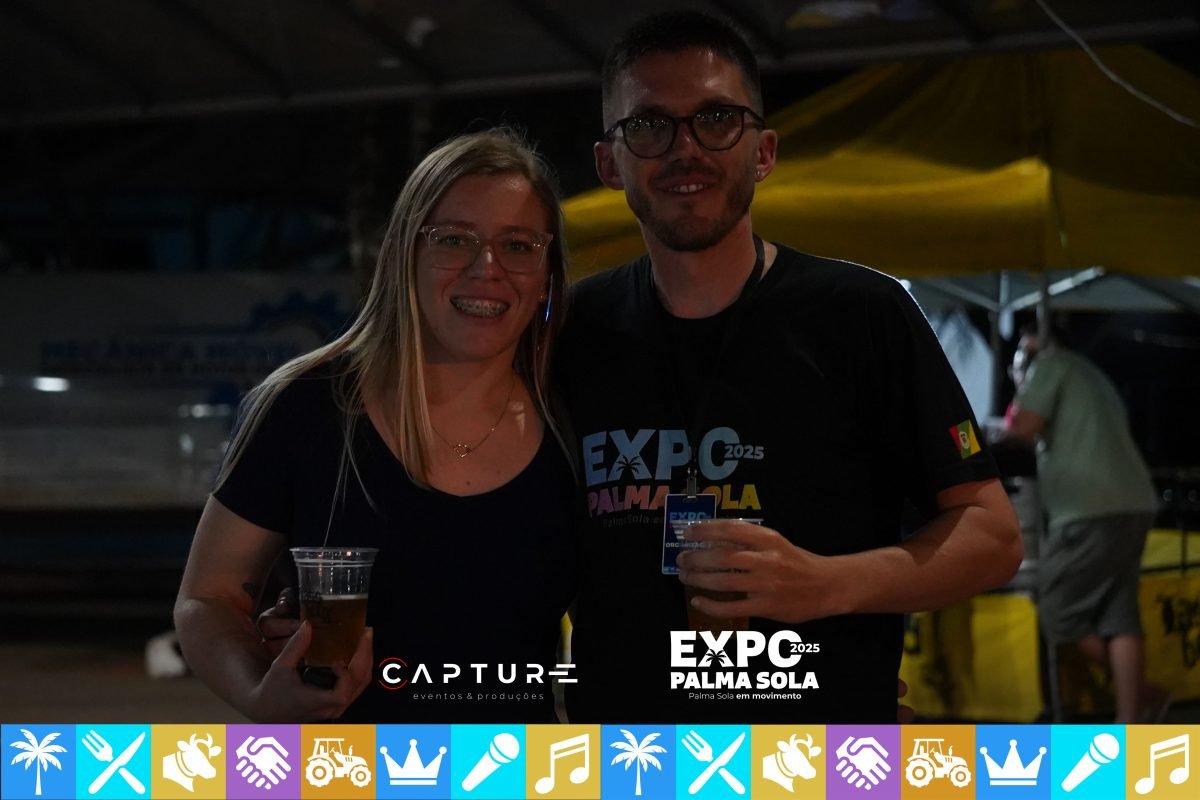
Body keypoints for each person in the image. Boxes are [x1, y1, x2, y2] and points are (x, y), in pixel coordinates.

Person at [555, 11, 1022, 723]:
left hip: (814, 752)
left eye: (717, 118)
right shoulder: (571, 329)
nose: (686, 148)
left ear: (764, 151)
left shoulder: (861, 314)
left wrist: (827, 585)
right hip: (627, 754)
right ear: (609, 164)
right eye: (649, 125)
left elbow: (993, 537)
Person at [174, 128, 575, 723]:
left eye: (517, 245)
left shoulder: (573, 416)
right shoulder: (307, 406)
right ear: (404, 255)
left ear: (546, 275)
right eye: (454, 239)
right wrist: (260, 694)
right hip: (344, 766)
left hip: (518, 766)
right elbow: (208, 598)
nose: (486, 268)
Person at [1006, 325, 1165, 723]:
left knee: (1057, 610)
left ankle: (1146, 691)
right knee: (1119, 615)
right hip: (1135, 502)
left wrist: (1020, 386)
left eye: (1021, 353)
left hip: (1088, 508)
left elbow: (1021, 428)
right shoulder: (1090, 372)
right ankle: (1132, 720)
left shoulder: (1049, 364)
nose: (1018, 362)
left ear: (1036, 344)